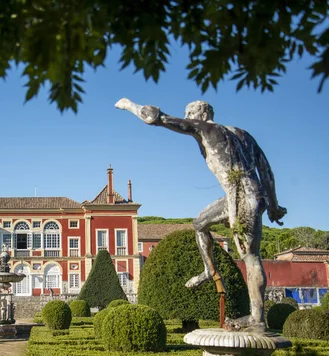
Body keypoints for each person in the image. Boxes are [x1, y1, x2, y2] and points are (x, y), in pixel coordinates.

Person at [115, 98, 287, 331]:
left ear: (202, 115)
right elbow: (266, 171)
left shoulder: (205, 128)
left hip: (241, 195)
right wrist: (274, 205)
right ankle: (209, 270)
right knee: (200, 223)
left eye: (189, 113)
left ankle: (257, 319)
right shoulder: (244, 135)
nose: (187, 117)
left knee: (251, 257)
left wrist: (129, 105)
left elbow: (156, 118)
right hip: (251, 194)